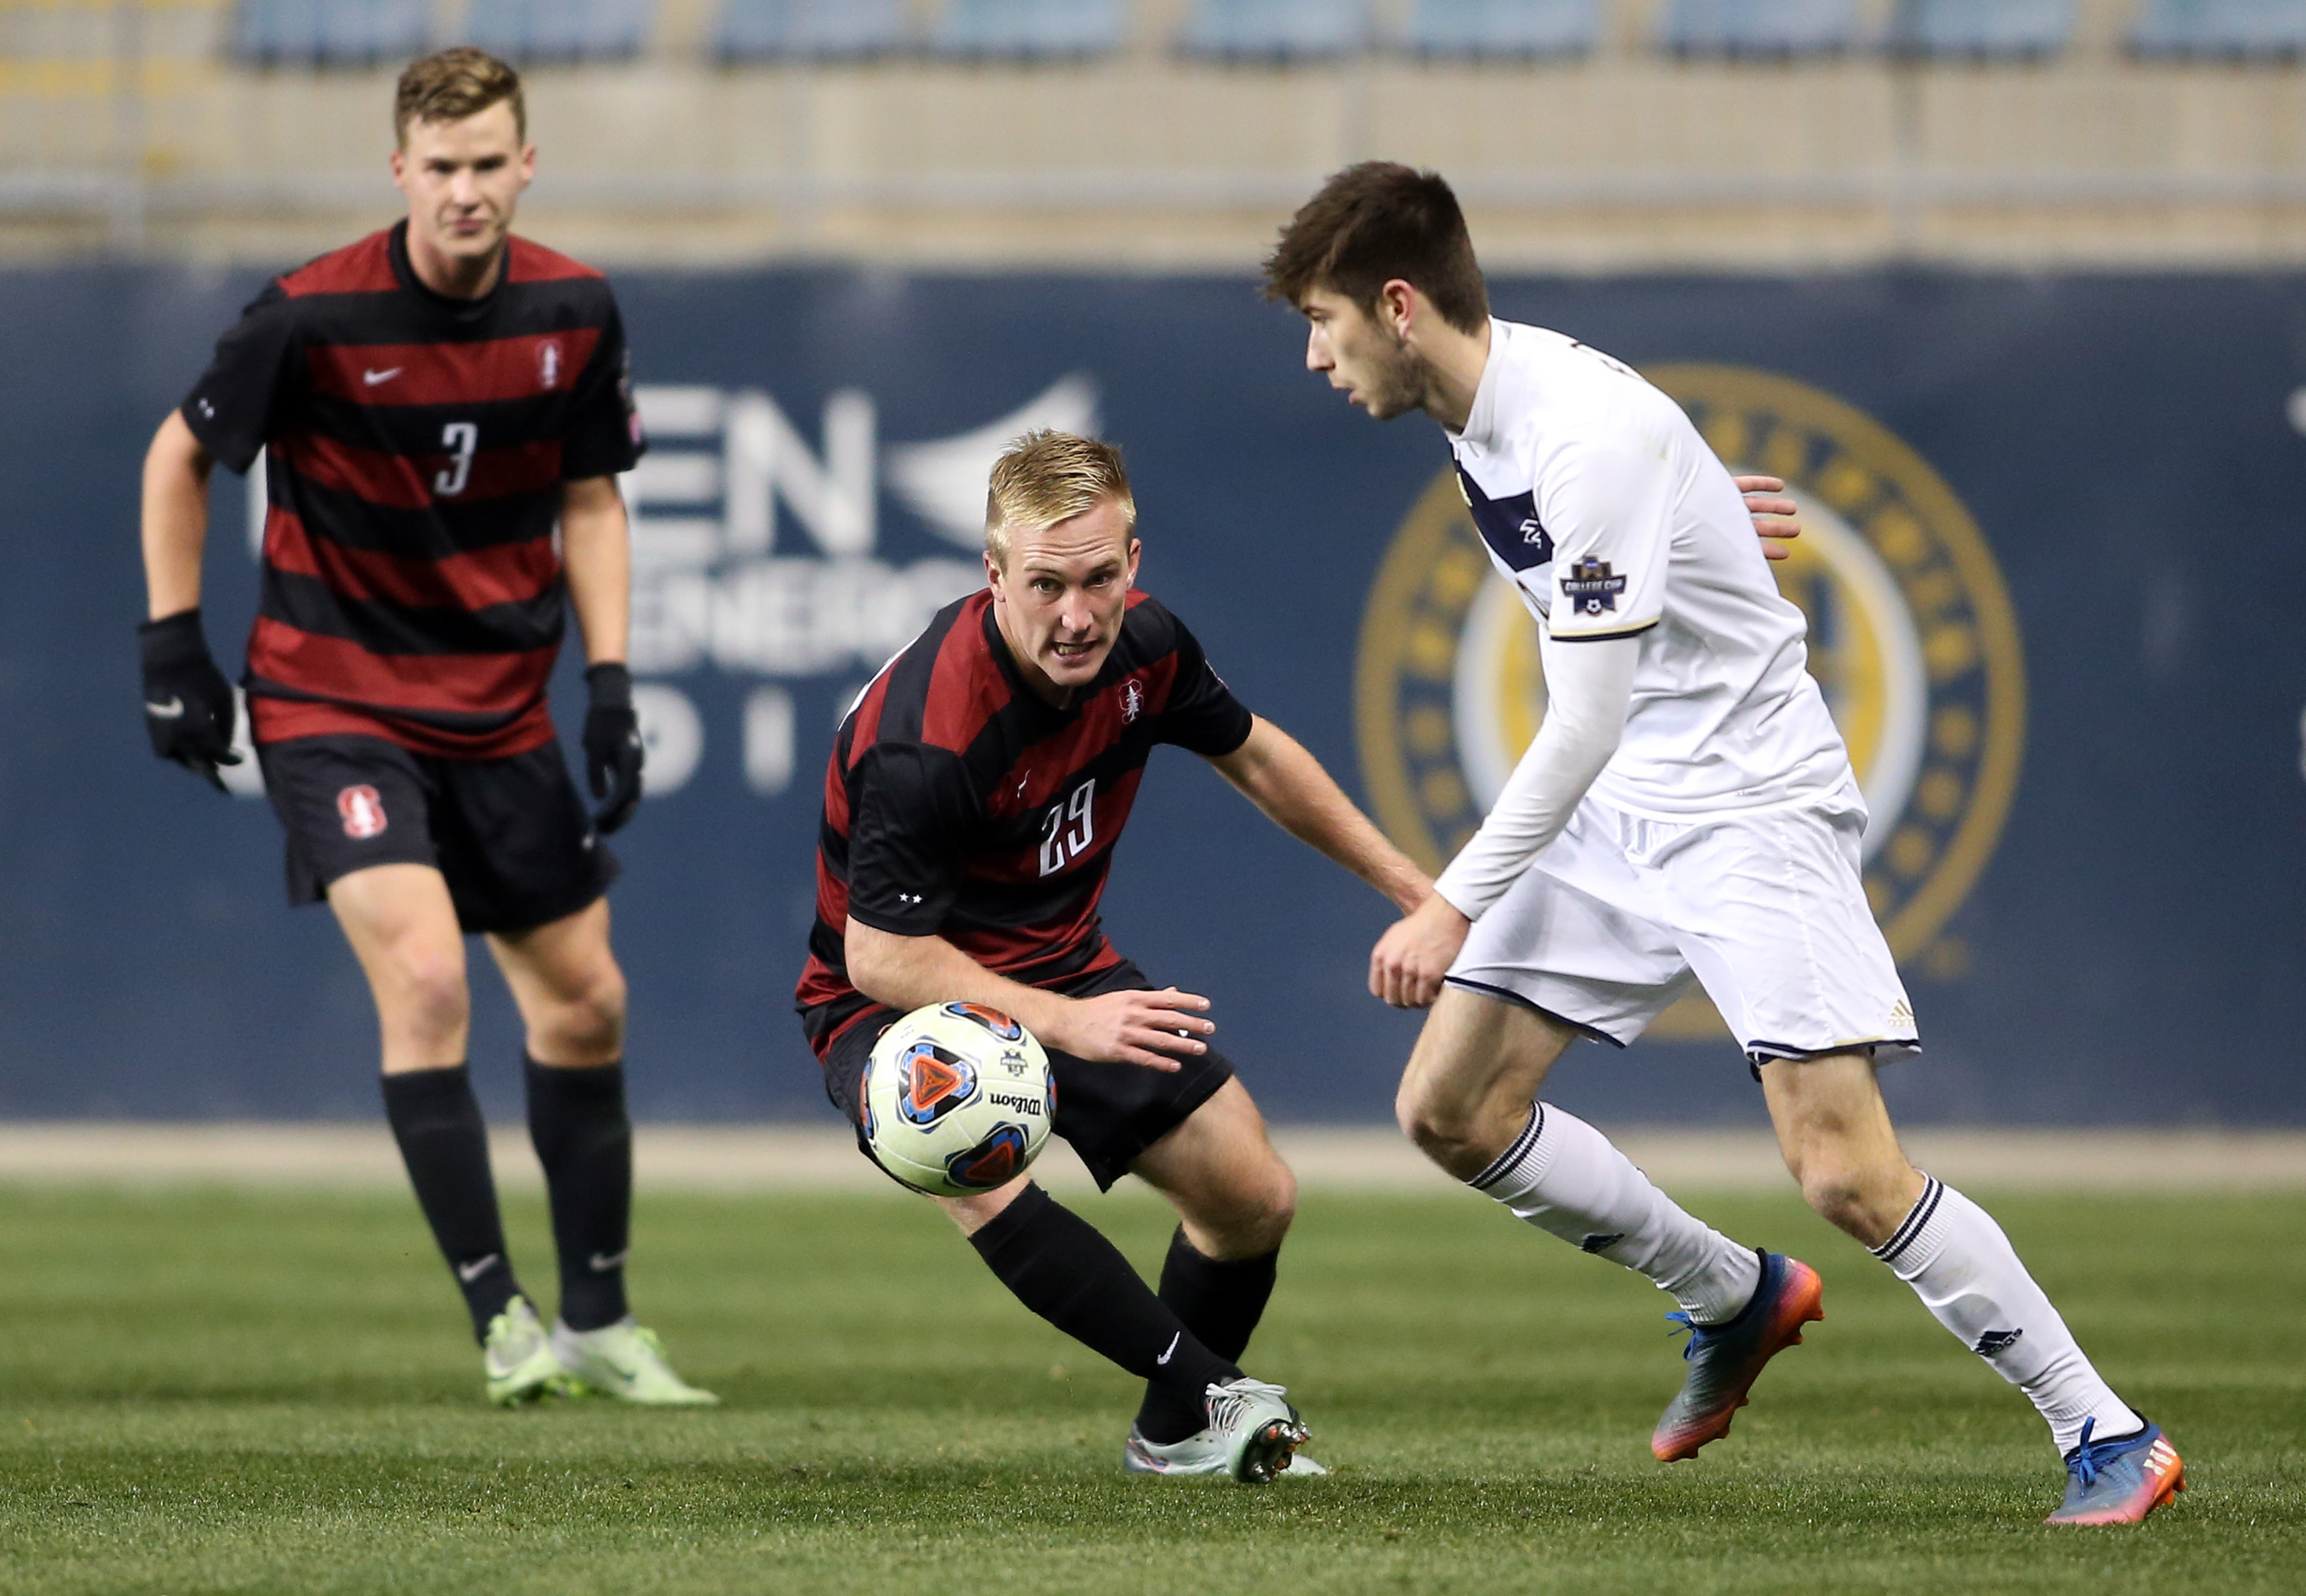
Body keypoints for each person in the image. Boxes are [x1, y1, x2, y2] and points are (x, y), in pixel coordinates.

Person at [1263, 161, 2182, 1527]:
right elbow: (1617, 539)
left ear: (1399, 307)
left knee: (1844, 1171)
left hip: (1745, 803)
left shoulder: (1577, 431)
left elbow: (1575, 722)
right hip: (1623, 807)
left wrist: (1452, 902)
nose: (1314, 353)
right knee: (1448, 1111)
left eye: (1326, 321)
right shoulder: (1488, 412)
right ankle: (1730, 1297)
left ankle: (2108, 1433)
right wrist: (1686, 520)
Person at [137, 47, 712, 1409]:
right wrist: (173, 647)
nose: (466, 191)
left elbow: (588, 499)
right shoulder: (307, 318)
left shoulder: (576, 307)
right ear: (401, 171)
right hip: (331, 701)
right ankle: (499, 1316)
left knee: (587, 1002)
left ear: (527, 163)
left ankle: (597, 1320)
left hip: (499, 707)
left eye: (488, 164)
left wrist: (612, 682)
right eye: (440, 167)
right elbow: (180, 457)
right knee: (431, 980)